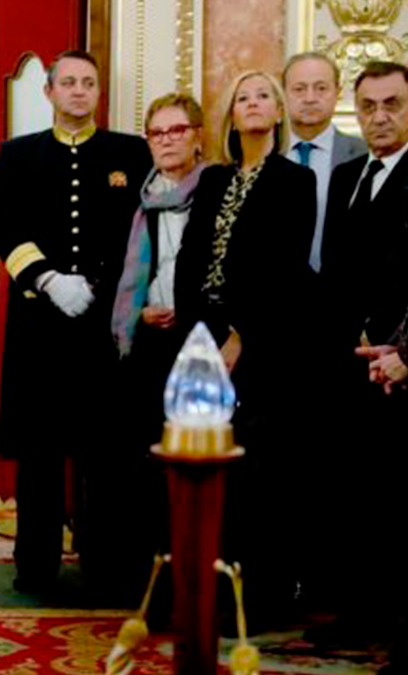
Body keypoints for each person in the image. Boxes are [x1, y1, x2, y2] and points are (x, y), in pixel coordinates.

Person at [0, 50, 151, 596]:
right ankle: (35, 564)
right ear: (50, 92)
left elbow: (140, 236)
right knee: (40, 454)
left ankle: (104, 561)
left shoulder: (129, 153)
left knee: (102, 452)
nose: (79, 91)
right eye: (68, 83)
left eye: (88, 83)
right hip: (41, 326)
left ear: (98, 91)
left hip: (103, 329)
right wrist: (47, 279)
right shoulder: (18, 156)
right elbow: (4, 229)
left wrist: (102, 291)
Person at [174, 70, 315, 623]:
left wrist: (241, 336)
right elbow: (190, 263)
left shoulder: (294, 182)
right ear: (231, 114)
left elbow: (285, 272)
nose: (253, 104)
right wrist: (203, 335)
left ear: (278, 113)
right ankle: (212, 592)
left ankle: (262, 601)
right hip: (205, 340)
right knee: (213, 475)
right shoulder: (212, 181)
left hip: (265, 347)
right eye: (243, 97)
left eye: (264, 97)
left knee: (263, 476)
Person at [313, 60, 408, 647]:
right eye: (369, 105)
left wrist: (407, 352)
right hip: (351, 369)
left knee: (401, 508)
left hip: (402, 369)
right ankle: (360, 620)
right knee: (357, 502)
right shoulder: (351, 175)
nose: (379, 116)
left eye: (392, 104)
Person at [106, 92, 207, 586]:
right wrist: (138, 313)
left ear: (198, 136)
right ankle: (149, 578)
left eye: (178, 130)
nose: (167, 141)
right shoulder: (138, 198)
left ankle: (193, 574)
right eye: (158, 132)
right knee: (144, 463)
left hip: (200, 344)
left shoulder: (216, 189)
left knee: (195, 465)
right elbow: (125, 275)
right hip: (147, 341)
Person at [282, 53, 366, 274]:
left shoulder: (364, 155)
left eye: (321, 88)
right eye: (299, 89)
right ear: (283, 94)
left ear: (337, 93)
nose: (310, 98)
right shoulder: (265, 155)